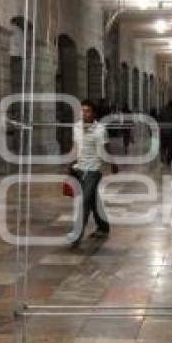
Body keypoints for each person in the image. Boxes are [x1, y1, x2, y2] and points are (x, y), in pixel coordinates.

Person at [69, 100, 110, 245]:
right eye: (83, 110)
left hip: (94, 170)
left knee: (85, 201)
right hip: (79, 169)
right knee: (92, 200)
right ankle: (104, 226)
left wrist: (113, 163)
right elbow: (76, 147)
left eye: (87, 111)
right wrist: (70, 165)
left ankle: (76, 233)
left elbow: (106, 148)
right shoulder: (76, 127)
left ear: (94, 113)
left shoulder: (100, 129)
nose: (84, 113)